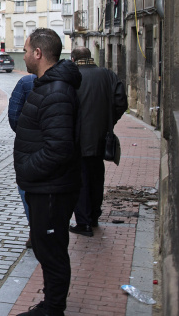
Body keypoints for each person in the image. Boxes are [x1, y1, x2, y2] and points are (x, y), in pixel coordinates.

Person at [13, 28, 82, 316]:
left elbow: (58, 148)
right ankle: (51, 304)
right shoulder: (47, 85)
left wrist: (27, 169)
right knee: (46, 247)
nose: (25, 55)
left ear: (38, 54)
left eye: (27, 50)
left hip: (51, 188)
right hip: (45, 186)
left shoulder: (56, 91)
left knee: (51, 252)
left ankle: (53, 309)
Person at [69, 47, 128, 236]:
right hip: (101, 137)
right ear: (90, 57)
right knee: (96, 177)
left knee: (81, 179)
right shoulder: (107, 75)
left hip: (78, 139)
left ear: (73, 58)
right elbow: (121, 102)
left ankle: (84, 222)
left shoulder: (72, 77)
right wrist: (109, 122)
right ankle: (94, 216)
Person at [8, 73, 37, 248]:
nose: (24, 55)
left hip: (29, 147)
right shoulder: (67, 81)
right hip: (59, 146)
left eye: (26, 51)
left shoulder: (27, 82)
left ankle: (35, 230)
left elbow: (14, 114)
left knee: (26, 189)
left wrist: (24, 133)